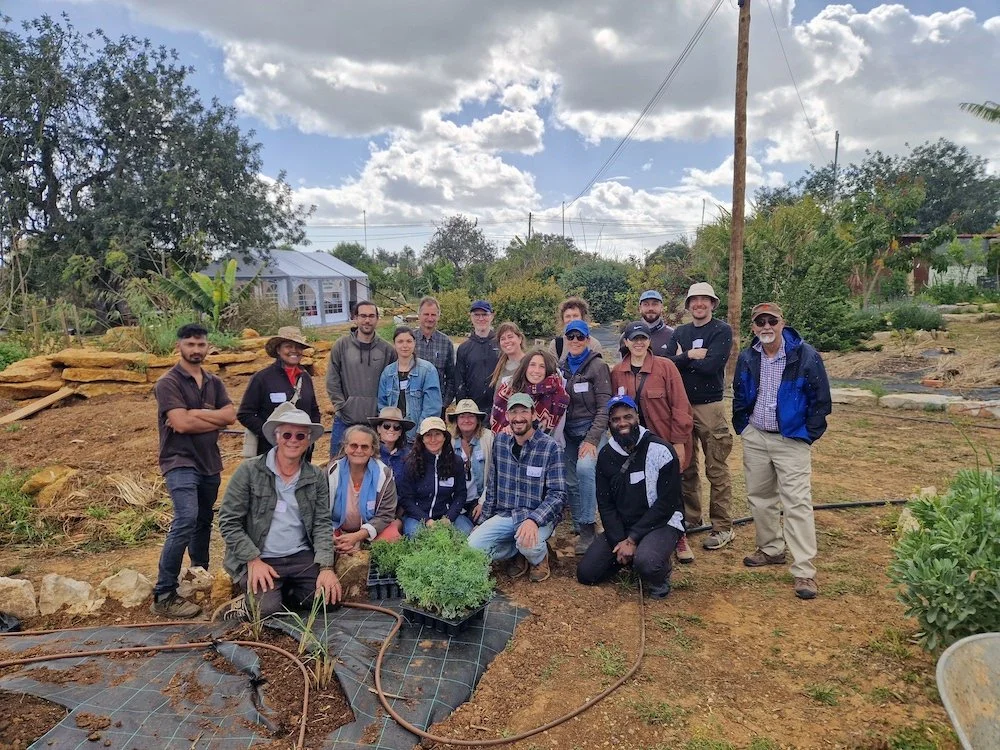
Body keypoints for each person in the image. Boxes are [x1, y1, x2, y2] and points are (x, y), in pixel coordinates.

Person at [733, 302, 832, 600]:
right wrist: (745, 427)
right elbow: (740, 392)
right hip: (757, 436)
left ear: (782, 322)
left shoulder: (805, 355)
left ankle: (804, 569)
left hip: (791, 439)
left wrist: (805, 436)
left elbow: (821, 399)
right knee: (760, 497)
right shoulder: (748, 357)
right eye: (760, 321)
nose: (766, 326)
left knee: (797, 502)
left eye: (771, 320)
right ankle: (771, 549)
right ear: (753, 327)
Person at [215, 404, 341, 620]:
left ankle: (281, 591)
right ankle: (247, 601)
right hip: (261, 555)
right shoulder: (249, 471)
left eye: (300, 435)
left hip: (299, 555)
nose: (293, 440)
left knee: (328, 601)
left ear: (308, 441)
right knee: (266, 610)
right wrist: (252, 559)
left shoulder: (315, 476)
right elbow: (228, 522)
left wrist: (326, 567)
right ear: (276, 436)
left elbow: (321, 523)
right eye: (287, 434)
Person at [151, 323, 236, 618]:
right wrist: (213, 420)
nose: (196, 350)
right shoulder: (168, 383)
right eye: (190, 345)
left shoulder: (213, 382)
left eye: (201, 345)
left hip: (209, 461)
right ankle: (164, 593)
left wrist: (196, 414)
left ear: (207, 347)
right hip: (179, 460)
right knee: (186, 518)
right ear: (179, 347)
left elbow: (230, 416)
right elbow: (181, 425)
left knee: (203, 519)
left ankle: (199, 575)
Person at [577, 395, 684, 599]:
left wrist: (633, 539)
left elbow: (667, 504)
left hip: (660, 522)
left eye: (628, 417)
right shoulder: (606, 456)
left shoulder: (661, 451)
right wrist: (620, 541)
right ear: (609, 424)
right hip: (623, 526)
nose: (622, 423)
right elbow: (605, 505)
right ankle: (627, 557)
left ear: (637, 417)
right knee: (587, 573)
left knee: (647, 563)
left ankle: (659, 571)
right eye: (616, 419)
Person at [611, 320, 695, 563]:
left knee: (671, 488)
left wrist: (678, 442)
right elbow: (613, 411)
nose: (638, 342)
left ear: (649, 341)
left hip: (664, 440)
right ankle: (640, 533)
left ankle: (678, 536)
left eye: (643, 338)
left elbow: (681, 406)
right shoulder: (617, 371)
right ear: (626, 342)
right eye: (633, 338)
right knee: (638, 488)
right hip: (632, 444)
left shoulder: (666, 367)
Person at [469, 394, 566, 583]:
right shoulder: (501, 443)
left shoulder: (550, 447)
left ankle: (540, 558)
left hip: (536, 516)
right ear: (507, 415)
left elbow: (558, 494)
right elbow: (493, 487)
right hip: (506, 514)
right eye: (513, 412)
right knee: (473, 546)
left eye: (524, 411)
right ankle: (517, 551)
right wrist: (482, 522)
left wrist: (533, 520)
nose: (518, 417)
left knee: (527, 543)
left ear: (533, 414)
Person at [667, 283, 735, 551]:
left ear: (712, 303)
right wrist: (691, 355)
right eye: (694, 300)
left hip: (710, 406)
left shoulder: (721, 330)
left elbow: (712, 366)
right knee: (687, 467)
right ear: (688, 305)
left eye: (704, 300)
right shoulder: (681, 332)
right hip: (682, 406)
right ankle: (692, 519)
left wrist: (681, 358)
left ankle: (723, 527)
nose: (699, 304)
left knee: (716, 467)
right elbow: (666, 361)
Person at [558, 320, 612, 555]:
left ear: (588, 340)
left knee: (585, 469)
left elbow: (604, 407)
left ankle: (589, 525)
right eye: (571, 337)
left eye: (580, 337)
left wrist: (591, 439)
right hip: (567, 432)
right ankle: (580, 524)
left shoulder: (598, 367)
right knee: (570, 479)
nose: (575, 341)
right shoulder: (560, 367)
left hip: (591, 430)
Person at [237, 326, 322, 462]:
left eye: (298, 347)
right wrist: (272, 435)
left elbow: (314, 410)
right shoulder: (262, 378)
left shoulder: (305, 378)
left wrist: (308, 437)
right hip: (269, 452)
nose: (294, 350)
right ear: (278, 349)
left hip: (302, 453)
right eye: (288, 346)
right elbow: (245, 414)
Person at [326, 300, 397, 457]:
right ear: (355, 318)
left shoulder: (387, 350)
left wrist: (383, 413)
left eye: (371, 316)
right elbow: (332, 379)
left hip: (375, 422)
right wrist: (341, 406)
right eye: (363, 316)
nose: (367, 320)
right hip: (345, 420)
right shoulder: (341, 346)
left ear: (377, 319)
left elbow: (392, 385)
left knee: (374, 468)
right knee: (337, 465)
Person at [329, 424, 403, 554]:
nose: (359, 450)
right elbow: (321, 512)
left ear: (372, 450)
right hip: (337, 528)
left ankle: (364, 547)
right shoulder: (332, 472)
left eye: (364, 447)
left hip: (370, 530)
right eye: (353, 445)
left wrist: (358, 536)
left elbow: (385, 514)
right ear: (345, 447)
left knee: (392, 538)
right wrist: (332, 537)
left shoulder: (383, 474)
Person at [397, 417, 472, 536]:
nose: (433, 439)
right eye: (428, 435)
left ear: (444, 437)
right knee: (416, 535)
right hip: (417, 516)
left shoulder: (456, 462)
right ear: (422, 439)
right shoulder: (411, 463)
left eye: (437, 434)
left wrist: (449, 517)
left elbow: (460, 494)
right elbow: (406, 498)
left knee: (467, 532)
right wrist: (426, 520)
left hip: (446, 515)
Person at [378, 326, 442, 441]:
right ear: (394, 344)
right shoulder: (387, 373)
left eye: (408, 341)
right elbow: (382, 405)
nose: (405, 345)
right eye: (400, 341)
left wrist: (420, 432)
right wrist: (388, 430)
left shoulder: (427, 370)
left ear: (414, 343)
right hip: (394, 435)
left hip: (417, 436)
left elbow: (432, 407)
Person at [491, 348, 568, 435]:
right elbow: (496, 421)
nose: (536, 371)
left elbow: (557, 432)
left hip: (544, 445)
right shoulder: (508, 388)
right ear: (525, 367)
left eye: (542, 366)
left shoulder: (558, 394)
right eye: (532, 365)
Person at [449, 398, 494, 524]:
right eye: (462, 416)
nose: (466, 420)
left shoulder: (488, 438)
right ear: (456, 420)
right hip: (457, 503)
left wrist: (483, 502)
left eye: (471, 416)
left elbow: (494, 475)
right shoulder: (450, 441)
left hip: (481, 500)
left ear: (478, 419)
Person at [455, 300, 501, 413]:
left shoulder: (501, 344)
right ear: (471, 317)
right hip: (473, 410)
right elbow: (460, 382)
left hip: (499, 407)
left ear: (492, 316)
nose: (481, 319)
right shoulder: (464, 348)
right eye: (476, 315)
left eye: (484, 314)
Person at [415, 296, 457, 415]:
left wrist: (444, 404)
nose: (429, 318)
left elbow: (451, 378)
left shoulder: (446, 342)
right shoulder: (409, 340)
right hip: (412, 405)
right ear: (419, 315)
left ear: (438, 316)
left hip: (436, 406)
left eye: (433, 315)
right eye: (426, 314)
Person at [618, 290, 674, 360]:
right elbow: (622, 365)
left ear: (662, 307)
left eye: (655, 304)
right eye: (646, 304)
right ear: (640, 308)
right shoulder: (626, 336)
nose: (650, 308)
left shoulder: (673, 335)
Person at [369, 406, 413, 480]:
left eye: (396, 427)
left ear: (400, 432)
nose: (391, 429)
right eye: (387, 426)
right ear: (378, 429)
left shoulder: (408, 455)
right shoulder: (369, 452)